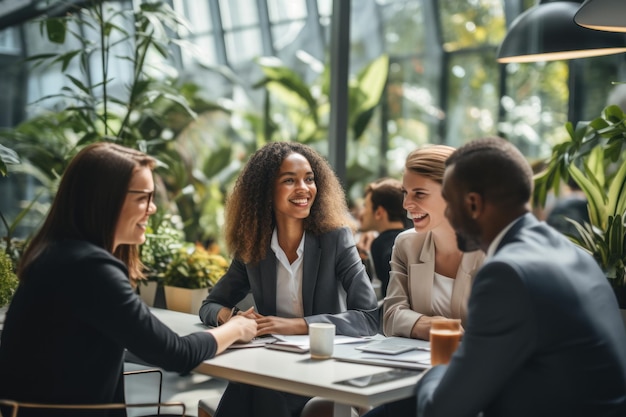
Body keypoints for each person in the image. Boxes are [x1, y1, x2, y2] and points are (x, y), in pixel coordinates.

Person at [0, 142, 257, 415]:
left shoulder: (57, 254)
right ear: (105, 200)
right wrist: (237, 328)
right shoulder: (89, 268)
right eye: (143, 197)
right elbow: (177, 354)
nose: (153, 208)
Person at [415, 136, 626, 416]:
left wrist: (437, 368)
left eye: (450, 205)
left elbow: (440, 412)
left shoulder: (506, 274)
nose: (449, 216)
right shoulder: (570, 252)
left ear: (474, 204)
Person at [198, 141, 379, 417]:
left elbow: (368, 317)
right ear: (266, 192)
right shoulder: (253, 245)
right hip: (272, 365)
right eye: (289, 180)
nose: (304, 189)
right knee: (253, 383)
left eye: (309, 179)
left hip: (322, 367)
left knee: (256, 387)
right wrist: (231, 318)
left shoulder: (336, 239)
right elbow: (210, 304)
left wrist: (295, 325)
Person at [383, 145, 484, 340]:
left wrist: (413, 322)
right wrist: (433, 326)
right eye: (405, 192)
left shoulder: (495, 250)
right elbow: (390, 317)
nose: (406, 204)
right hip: (420, 363)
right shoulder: (407, 245)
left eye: (419, 193)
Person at [357, 178, 409, 297]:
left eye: (366, 206)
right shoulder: (410, 240)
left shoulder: (384, 248)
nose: (362, 212)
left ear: (379, 213)